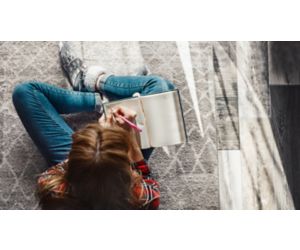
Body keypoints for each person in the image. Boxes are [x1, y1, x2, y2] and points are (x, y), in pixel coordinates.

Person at [12, 42, 175, 209]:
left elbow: (78, 164)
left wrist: (97, 147)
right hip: (103, 166)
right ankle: (101, 84)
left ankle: (96, 93)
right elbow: (145, 174)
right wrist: (130, 141)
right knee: (163, 90)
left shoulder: (52, 188)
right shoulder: (143, 198)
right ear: (127, 171)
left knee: (25, 92)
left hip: (92, 166)